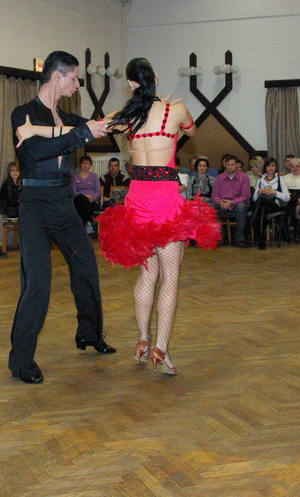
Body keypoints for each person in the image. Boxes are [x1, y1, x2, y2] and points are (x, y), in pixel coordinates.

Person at [94, 57, 220, 375]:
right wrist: (164, 104)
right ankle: (161, 348)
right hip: (165, 199)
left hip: (138, 199)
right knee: (170, 277)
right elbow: (192, 129)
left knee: (147, 274)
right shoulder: (174, 110)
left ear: (131, 83)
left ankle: (142, 339)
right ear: (156, 78)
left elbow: (96, 127)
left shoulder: (125, 117)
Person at [7, 50, 114, 385]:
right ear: (57, 76)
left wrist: (135, 108)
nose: (77, 85)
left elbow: (102, 128)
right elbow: (39, 150)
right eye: (74, 78)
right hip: (35, 206)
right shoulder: (22, 113)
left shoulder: (68, 117)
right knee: (37, 284)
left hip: (64, 205)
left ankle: (90, 334)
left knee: (87, 270)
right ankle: (21, 360)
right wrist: (83, 132)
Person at [251, 157, 290, 249]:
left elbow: (287, 198)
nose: (270, 168)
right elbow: (254, 199)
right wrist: (259, 192)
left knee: (261, 199)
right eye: (268, 166)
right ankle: (262, 240)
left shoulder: (280, 179)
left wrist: (275, 192)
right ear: (265, 167)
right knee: (262, 206)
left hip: (274, 204)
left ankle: (251, 221)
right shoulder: (260, 180)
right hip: (262, 206)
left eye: (273, 166)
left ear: (276, 167)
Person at [212, 154, 250, 247]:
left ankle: (240, 239)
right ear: (225, 165)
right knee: (210, 207)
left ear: (237, 165)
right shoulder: (219, 178)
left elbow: (245, 196)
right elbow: (215, 195)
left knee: (241, 207)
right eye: (228, 164)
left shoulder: (244, 177)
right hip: (222, 203)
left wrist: (232, 202)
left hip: (238, 203)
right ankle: (217, 237)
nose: (230, 167)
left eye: (232, 164)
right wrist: (220, 201)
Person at [72, 155, 100, 232]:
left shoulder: (94, 176)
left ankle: (82, 232)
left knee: (82, 209)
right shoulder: (74, 177)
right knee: (81, 199)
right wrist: (85, 196)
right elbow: (74, 192)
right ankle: (90, 218)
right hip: (79, 201)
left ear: (90, 165)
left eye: (87, 163)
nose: (85, 165)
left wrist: (91, 198)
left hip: (91, 202)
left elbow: (98, 191)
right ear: (80, 164)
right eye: (84, 163)